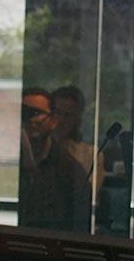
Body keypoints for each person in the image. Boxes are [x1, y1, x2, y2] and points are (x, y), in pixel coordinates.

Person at [17, 87, 89, 232]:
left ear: (53, 121)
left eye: (35, 113)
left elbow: (76, 224)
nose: (29, 120)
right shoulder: (10, 158)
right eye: (23, 112)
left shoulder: (69, 169)